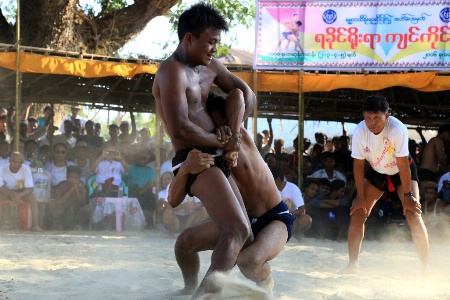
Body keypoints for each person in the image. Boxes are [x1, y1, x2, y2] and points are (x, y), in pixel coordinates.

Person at [151, 3, 256, 297]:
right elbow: (180, 128)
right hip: (195, 159)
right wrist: (223, 142)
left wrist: (232, 134)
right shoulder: (171, 72)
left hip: (217, 154)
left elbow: (247, 94)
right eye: (210, 42)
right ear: (189, 39)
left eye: (216, 43)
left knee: (241, 231)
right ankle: (206, 295)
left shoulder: (211, 66)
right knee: (237, 230)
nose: (214, 49)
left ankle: (187, 254)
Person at [168, 92, 295, 297]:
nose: (222, 129)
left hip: (273, 218)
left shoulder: (239, 134)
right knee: (184, 242)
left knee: (249, 262)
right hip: (238, 221)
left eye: (224, 122)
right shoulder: (199, 151)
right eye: (215, 125)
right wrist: (184, 171)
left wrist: (232, 133)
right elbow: (173, 200)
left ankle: (266, 282)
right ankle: (189, 287)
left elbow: (238, 95)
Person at [342, 94, 429, 274]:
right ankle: (353, 264)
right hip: (376, 172)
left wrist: (407, 196)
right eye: (367, 118)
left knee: (413, 213)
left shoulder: (397, 129)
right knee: (358, 213)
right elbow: (358, 165)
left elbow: (403, 164)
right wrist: (359, 196)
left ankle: (425, 267)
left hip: (401, 172)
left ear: (387, 116)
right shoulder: (359, 132)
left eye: (377, 118)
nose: (372, 123)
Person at [0, 152, 42, 231]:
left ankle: (35, 225)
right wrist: (10, 193)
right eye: (14, 162)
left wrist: (20, 195)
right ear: (10, 161)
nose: (16, 164)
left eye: (19, 162)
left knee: (32, 197)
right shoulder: (2, 169)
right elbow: (0, 186)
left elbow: (30, 188)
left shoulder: (26, 169)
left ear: (23, 162)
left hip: (21, 191)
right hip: (6, 191)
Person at [270, 165, 311, 242]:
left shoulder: (293, 189)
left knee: (306, 219)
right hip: (275, 220)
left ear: (278, 180)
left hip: (292, 219)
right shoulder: (269, 189)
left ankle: (297, 234)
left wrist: (287, 213)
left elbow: (302, 210)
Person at [49, 165, 91, 230]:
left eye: (75, 178)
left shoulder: (82, 188)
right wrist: (71, 190)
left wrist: (76, 190)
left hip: (76, 212)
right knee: (53, 206)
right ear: (66, 177)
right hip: (63, 211)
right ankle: (59, 225)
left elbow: (83, 203)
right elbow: (58, 202)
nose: (73, 180)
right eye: (70, 177)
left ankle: (78, 225)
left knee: (87, 209)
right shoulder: (61, 186)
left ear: (79, 179)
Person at [417, 124, 450, 200]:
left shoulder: (434, 141)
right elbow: (441, 159)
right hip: (426, 173)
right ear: (445, 133)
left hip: (428, 173)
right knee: (427, 200)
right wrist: (447, 169)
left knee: (429, 200)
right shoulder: (437, 140)